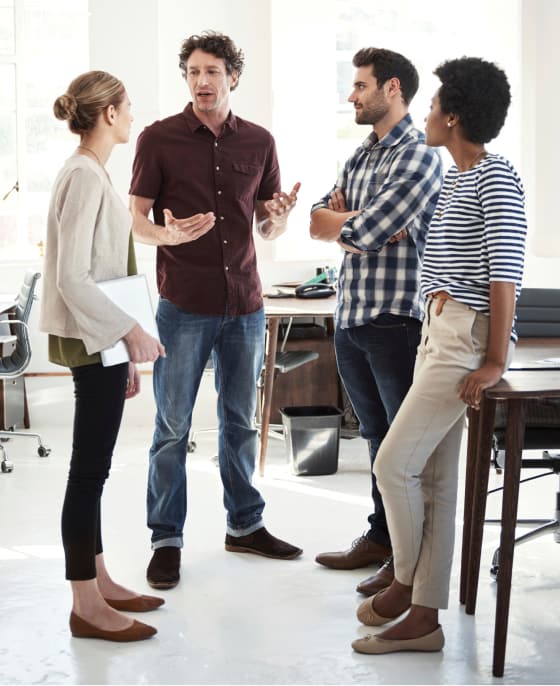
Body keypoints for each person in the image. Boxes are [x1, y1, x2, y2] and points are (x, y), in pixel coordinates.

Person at [352, 56, 527, 655]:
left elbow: (505, 275)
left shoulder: (496, 177)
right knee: (433, 481)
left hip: (463, 340)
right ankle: (425, 616)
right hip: (438, 331)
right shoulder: (456, 178)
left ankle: (404, 584)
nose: (424, 113)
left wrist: (494, 360)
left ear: (453, 117)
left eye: (432, 106)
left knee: (390, 464)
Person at [129, 31, 302, 590]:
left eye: (212, 72)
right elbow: (137, 222)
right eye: (193, 72)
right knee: (172, 427)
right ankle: (166, 539)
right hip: (185, 305)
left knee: (240, 423)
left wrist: (280, 217)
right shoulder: (157, 140)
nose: (202, 82)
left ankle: (245, 525)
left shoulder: (259, 142)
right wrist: (169, 235)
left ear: (233, 77)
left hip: (246, 305)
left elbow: (268, 224)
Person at [309, 48, 442, 595]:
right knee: (373, 439)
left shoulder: (417, 154)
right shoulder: (362, 155)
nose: (351, 96)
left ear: (391, 88)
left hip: (396, 320)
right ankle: (382, 538)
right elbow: (318, 221)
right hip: (351, 317)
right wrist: (349, 221)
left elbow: (359, 233)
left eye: (360, 86)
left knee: (403, 453)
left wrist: (349, 223)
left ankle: (410, 563)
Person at [40, 71, 166, 642]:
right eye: (129, 106)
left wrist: (119, 346)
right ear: (110, 114)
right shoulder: (85, 176)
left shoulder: (88, 172)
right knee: (87, 473)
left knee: (93, 469)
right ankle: (85, 605)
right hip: (94, 338)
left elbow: (101, 265)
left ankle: (99, 580)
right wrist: (129, 332)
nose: (133, 116)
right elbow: (72, 277)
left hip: (99, 341)